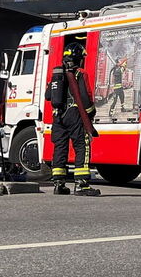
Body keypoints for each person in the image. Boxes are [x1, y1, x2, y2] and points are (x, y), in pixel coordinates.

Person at [48, 42, 99, 196]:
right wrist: (90, 113)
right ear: (78, 58)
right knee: (82, 146)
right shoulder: (80, 74)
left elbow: (48, 96)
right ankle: (82, 185)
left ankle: (59, 184)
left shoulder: (57, 74)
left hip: (58, 115)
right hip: (75, 114)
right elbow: (84, 97)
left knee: (60, 147)